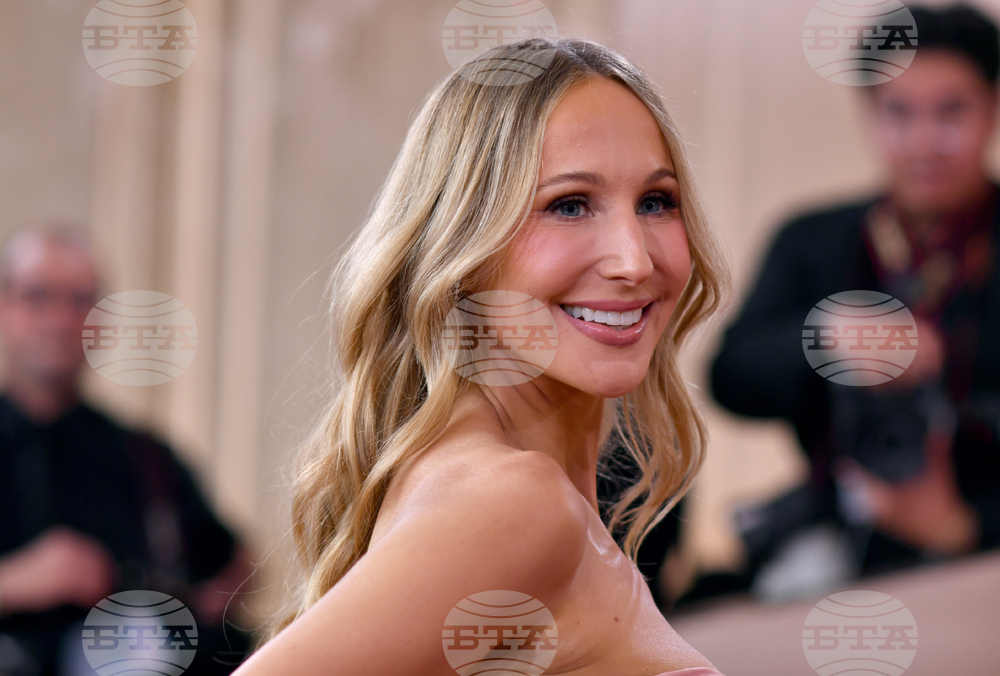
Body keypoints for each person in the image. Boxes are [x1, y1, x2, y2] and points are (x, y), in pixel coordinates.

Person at [235, 38, 731, 676]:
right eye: (570, 205)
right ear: (463, 246)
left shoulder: (513, 492)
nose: (634, 260)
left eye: (656, 202)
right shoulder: (517, 505)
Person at [710, 3, 1000, 600]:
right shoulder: (814, 239)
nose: (925, 140)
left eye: (953, 111)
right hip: (836, 528)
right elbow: (729, 378)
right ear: (868, 114)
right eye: (899, 112)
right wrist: (826, 337)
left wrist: (964, 527)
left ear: (993, 108)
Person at [0, 225, 255, 675]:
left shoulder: (145, 456)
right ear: (5, 307)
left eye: (79, 301)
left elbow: (235, 565)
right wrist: (19, 581)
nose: (60, 320)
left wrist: (181, 609)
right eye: (38, 297)